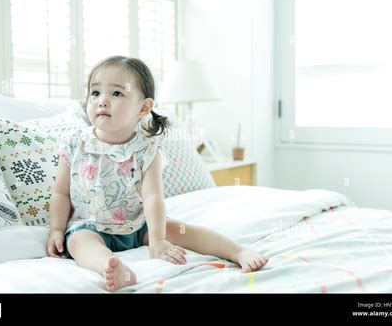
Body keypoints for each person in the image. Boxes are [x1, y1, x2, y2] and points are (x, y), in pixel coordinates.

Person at [47, 56, 269, 291]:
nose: (102, 101)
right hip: (90, 225)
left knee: (176, 229)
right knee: (80, 243)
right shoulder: (74, 144)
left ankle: (237, 251)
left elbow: (153, 197)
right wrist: (57, 230)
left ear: (143, 107)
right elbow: (61, 193)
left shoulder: (146, 150)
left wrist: (157, 240)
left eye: (116, 93)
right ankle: (110, 267)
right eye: (95, 93)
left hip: (137, 225)